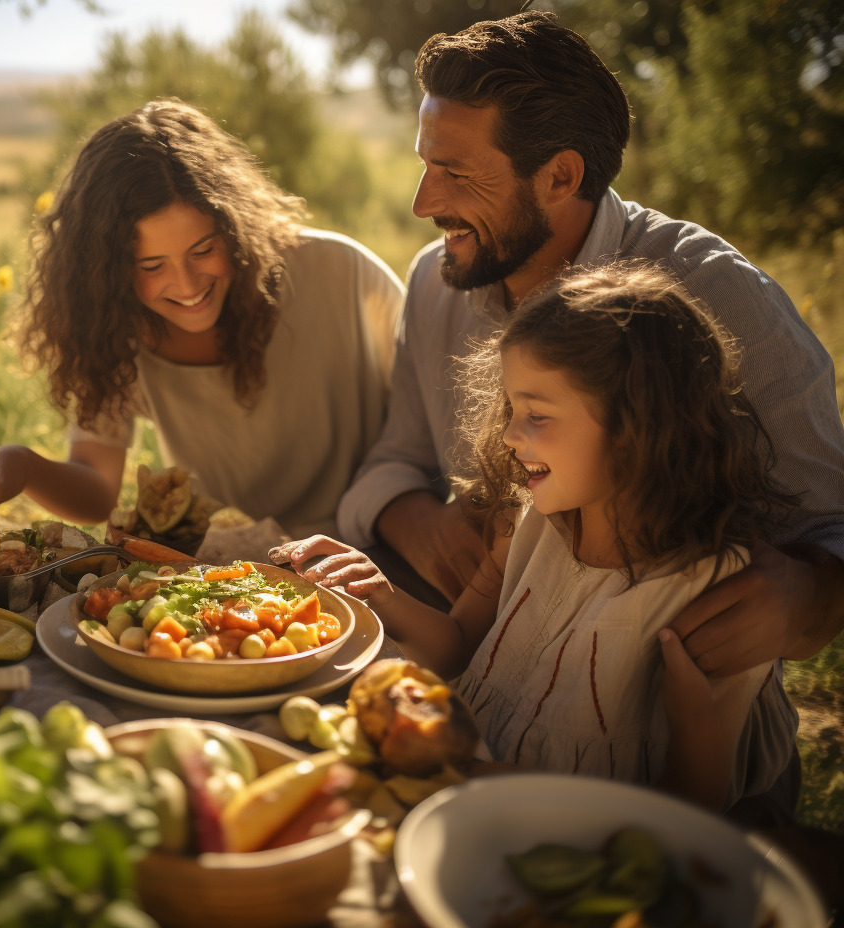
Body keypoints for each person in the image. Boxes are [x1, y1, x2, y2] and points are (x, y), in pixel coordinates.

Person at [336, 11, 844, 679]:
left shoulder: (712, 293)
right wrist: (419, 524)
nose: (422, 203)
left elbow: (830, 520)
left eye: (455, 174)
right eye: (425, 165)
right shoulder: (434, 282)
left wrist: (805, 596)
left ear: (559, 177)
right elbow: (391, 461)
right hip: (473, 681)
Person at [277, 261, 800, 814]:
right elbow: (457, 646)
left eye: (537, 415)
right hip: (462, 794)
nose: (507, 433)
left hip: (576, 845)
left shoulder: (707, 593)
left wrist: (497, 785)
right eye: (511, 407)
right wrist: (380, 592)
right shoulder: (525, 527)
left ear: (634, 429)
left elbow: (693, 801)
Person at [0, 98, 404, 561]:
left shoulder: (343, 274)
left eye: (204, 250)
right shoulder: (113, 329)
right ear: (108, 272)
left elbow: (425, 423)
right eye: (151, 265)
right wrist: (18, 462)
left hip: (376, 561)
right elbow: (97, 489)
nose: (187, 285)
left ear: (234, 226)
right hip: (238, 579)